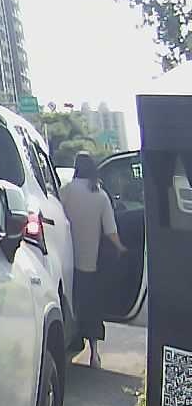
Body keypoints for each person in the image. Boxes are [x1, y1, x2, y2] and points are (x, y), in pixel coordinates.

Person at [57, 152, 127, 368]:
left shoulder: (66, 190)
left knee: (71, 302)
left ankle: (69, 342)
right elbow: (111, 231)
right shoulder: (101, 195)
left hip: (66, 258)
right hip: (90, 262)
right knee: (91, 306)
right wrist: (121, 248)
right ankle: (94, 354)